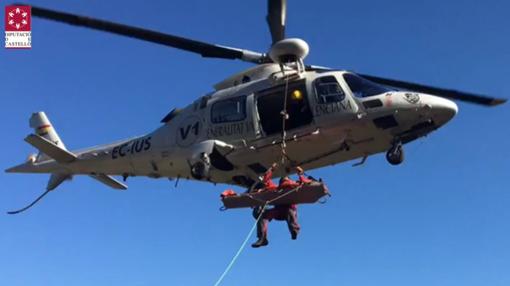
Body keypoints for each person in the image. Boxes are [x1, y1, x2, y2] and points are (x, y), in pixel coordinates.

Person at [251, 166, 309, 248]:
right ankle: (262, 238)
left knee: (290, 212)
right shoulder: (276, 188)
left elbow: (305, 183)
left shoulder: (294, 185)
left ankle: (294, 231)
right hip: (278, 211)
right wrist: (272, 169)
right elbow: (266, 180)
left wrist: (300, 174)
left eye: (286, 178)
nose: (284, 179)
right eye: (283, 179)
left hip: (289, 211)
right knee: (263, 216)